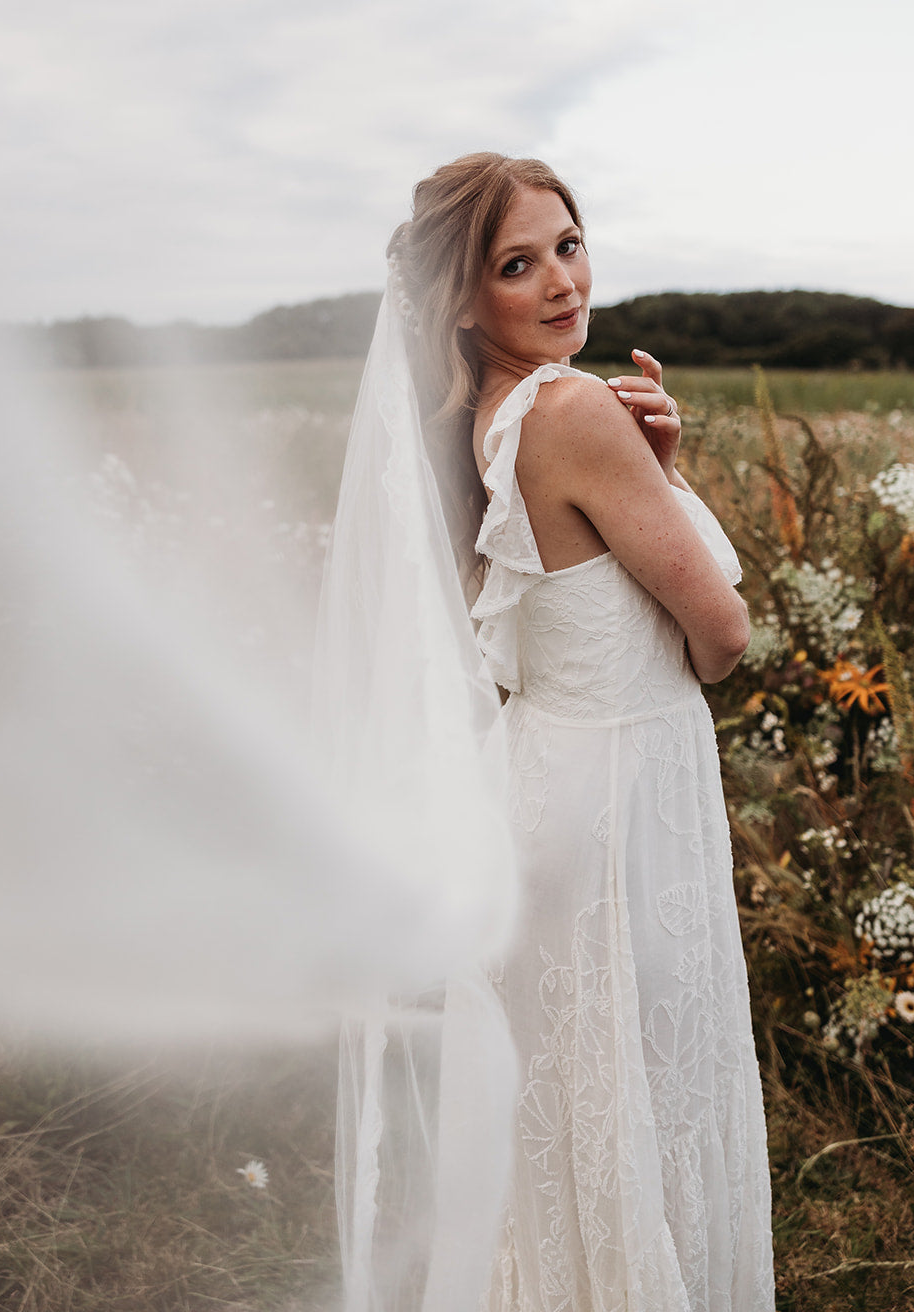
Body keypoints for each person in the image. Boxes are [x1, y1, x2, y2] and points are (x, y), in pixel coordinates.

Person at [322, 152, 774, 1311]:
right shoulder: (571, 407)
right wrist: (653, 480)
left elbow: (587, 587)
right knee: (649, 1092)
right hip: (623, 791)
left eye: (565, 244)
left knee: (579, 1104)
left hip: (548, 784)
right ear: (464, 300)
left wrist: (655, 474)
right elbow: (719, 635)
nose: (559, 282)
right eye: (516, 264)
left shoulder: (490, 416)